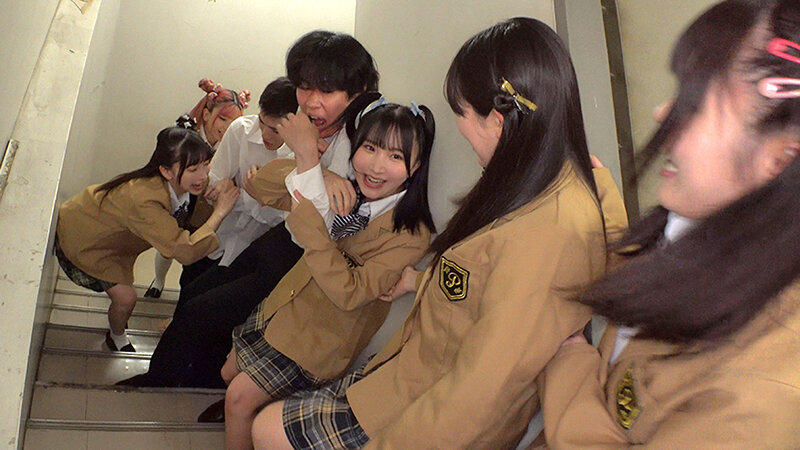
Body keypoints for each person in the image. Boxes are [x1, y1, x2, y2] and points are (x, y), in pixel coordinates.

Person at [247, 17, 627, 449]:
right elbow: (488, 282)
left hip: (423, 407)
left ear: (498, 120)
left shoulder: (549, 228)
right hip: (399, 373)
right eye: (369, 148)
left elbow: (481, 391)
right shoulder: (528, 184)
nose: (461, 128)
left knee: (266, 425)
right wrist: (419, 281)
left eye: (461, 113)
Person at [537, 1, 800, 447]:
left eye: (695, 103)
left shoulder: (763, 391)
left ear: (781, 158)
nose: (663, 113)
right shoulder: (685, 236)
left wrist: (571, 368)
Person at [118, 30, 381, 388]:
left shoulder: (360, 143)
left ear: (357, 92)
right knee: (195, 294)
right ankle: (184, 379)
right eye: (304, 87)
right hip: (279, 238)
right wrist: (317, 171)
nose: (310, 102)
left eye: (326, 90)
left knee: (205, 311)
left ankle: (165, 382)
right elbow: (269, 183)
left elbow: (319, 222)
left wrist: (306, 158)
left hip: (303, 259)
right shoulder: (306, 127)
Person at [222, 101, 436, 449]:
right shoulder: (343, 187)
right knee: (228, 372)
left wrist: (311, 225)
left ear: (416, 166)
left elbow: (350, 293)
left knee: (237, 399)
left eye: (396, 156)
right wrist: (315, 167)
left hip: (320, 340)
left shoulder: (411, 234)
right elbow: (260, 187)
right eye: (370, 148)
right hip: (283, 307)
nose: (377, 166)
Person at [55, 127, 239, 352]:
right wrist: (220, 212)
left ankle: (118, 326)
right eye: (193, 169)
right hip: (84, 236)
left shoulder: (175, 182)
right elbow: (185, 250)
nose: (203, 175)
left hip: (100, 226)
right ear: (166, 171)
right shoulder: (145, 201)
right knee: (126, 299)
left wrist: (221, 186)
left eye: (206, 165)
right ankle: (117, 336)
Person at [174, 76, 298, 291]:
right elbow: (214, 187)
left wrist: (247, 194)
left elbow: (287, 219)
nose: (265, 134)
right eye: (262, 122)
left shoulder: (300, 154)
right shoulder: (240, 130)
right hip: (219, 235)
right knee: (190, 286)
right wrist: (253, 197)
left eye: (276, 130)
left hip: (254, 249)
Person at [146, 77, 250, 298]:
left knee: (197, 247)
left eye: (234, 122)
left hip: (204, 204)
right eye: (223, 119)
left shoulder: (234, 140)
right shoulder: (185, 135)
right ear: (206, 114)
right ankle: (159, 281)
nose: (227, 127)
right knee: (168, 246)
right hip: (177, 195)